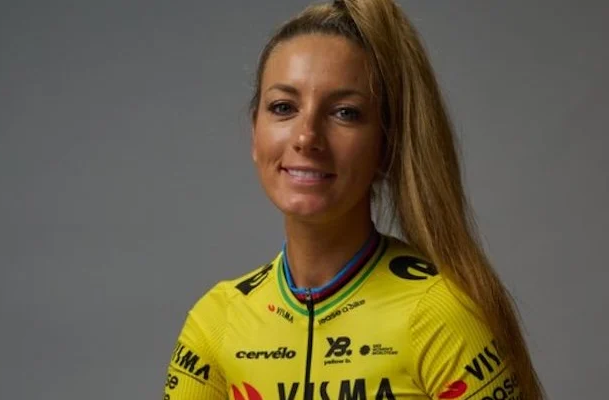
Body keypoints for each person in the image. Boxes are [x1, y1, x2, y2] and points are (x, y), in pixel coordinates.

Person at [163, 0, 544, 399]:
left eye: (345, 112)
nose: (306, 137)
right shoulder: (216, 322)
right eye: (283, 107)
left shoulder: (440, 314)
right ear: (254, 132)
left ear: (387, 144)